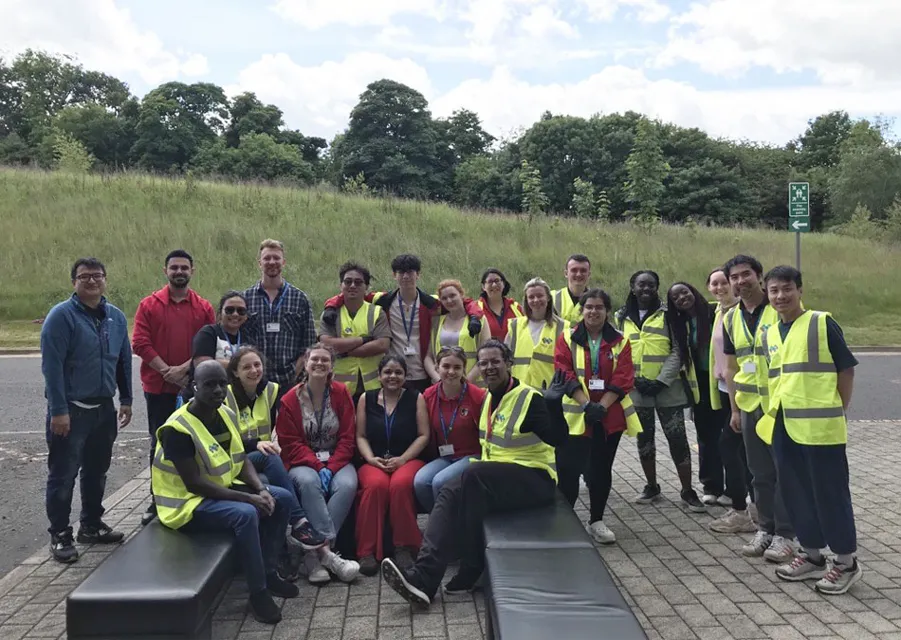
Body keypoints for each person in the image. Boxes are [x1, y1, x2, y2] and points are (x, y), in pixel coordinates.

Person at [379, 340, 567, 605]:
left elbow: (558, 440)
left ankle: (469, 568)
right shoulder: (490, 396)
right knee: (449, 490)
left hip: (534, 479)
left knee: (470, 476)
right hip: (495, 479)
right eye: (484, 362)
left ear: (508, 363)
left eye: (495, 361)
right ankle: (423, 579)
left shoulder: (529, 398)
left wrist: (554, 406)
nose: (489, 367)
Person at [151, 361, 299, 624]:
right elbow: (194, 484)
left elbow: (241, 459)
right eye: (210, 384)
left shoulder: (226, 413)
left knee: (282, 498)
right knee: (245, 514)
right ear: (194, 386)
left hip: (219, 489)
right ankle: (258, 593)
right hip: (185, 504)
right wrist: (249, 498)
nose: (218, 390)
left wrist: (261, 489)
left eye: (222, 383)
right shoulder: (177, 428)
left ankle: (269, 572)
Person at [755, 267, 861, 594]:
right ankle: (812, 555)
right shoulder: (770, 332)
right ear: (767, 293)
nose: (780, 296)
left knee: (829, 494)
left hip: (821, 430)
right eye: (773, 291)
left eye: (787, 289)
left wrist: (838, 409)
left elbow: (846, 369)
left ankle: (845, 562)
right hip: (783, 427)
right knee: (796, 494)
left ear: (800, 290)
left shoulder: (820, 323)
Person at [41, 258, 132, 563]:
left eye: (97, 276)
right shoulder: (61, 317)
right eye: (84, 277)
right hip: (71, 411)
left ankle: (91, 525)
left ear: (106, 280)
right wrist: (58, 410)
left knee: (96, 472)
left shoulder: (116, 318)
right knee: (63, 475)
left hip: (103, 410)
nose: (92, 282)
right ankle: (60, 534)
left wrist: (127, 399)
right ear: (74, 283)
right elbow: (51, 368)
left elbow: (123, 361)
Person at [133, 250, 215, 525]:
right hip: (158, 389)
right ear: (165, 270)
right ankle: (157, 500)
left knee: (193, 445)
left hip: (193, 390)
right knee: (159, 445)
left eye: (184, 267)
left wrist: (183, 369)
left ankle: (194, 494)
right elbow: (141, 343)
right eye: (174, 267)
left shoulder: (203, 307)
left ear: (193, 270)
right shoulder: (149, 305)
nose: (179, 272)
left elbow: (208, 344)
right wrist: (166, 371)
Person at [722, 255, 796, 563]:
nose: (741, 281)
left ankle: (786, 535)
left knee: (784, 473)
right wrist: (735, 410)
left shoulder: (778, 310)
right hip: (750, 408)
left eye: (746, 274)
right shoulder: (730, 318)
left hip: (780, 408)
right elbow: (731, 368)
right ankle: (765, 529)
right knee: (760, 474)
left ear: (759, 276)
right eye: (735, 277)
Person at [555, 289, 642, 544]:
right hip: (575, 416)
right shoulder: (567, 338)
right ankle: (566, 522)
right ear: (581, 311)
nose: (593, 312)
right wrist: (585, 404)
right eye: (589, 307)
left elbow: (624, 376)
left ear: (607, 311)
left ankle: (597, 521)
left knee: (600, 470)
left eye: (599, 307)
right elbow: (563, 370)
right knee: (568, 471)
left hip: (608, 416)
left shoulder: (621, 341)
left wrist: (601, 407)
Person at [614, 270, 704, 511]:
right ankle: (652, 486)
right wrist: (634, 380)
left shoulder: (669, 315)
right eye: (641, 284)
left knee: (677, 440)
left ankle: (687, 490)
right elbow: (618, 352)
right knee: (645, 440)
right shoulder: (621, 317)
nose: (646, 289)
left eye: (651, 285)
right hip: (638, 389)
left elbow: (678, 350)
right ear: (632, 287)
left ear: (657, 287)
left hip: (668, 389)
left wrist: (661, 381)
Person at [223, 346, 323, 553]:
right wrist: (255, 443)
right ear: (235, 372)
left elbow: (284, 424)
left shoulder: (272, 390)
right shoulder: (226, 395)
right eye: (246, 367)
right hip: (235, 458)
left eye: (257, 365)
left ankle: (282, 549)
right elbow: (225, 437)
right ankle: (299, 520)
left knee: (272, 463)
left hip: (264, 454)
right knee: (268, 458)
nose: (254, 371)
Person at [278, 344, 361, 585]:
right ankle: (327, 555)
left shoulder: (341, 393)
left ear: (332, 366)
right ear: (306, 363)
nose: (320, 364)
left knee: (347, 484)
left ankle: (313, 556)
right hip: (302, 460)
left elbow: (347, 436)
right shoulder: (288, 400)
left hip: (336, 458)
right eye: (315, 359)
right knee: (309, 482)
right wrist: (316, 465)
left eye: (325, 360)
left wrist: (332, 467)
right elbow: (290, 442)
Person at [354, 355, 430, 576]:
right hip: (374, 459)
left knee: (400, 485)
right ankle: (366, 552)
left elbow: (423, 435)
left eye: (398, 372)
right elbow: (360, 436)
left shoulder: (416, 398)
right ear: (379, 376)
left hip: (407, 458)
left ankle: (404, 547)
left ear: (405, 376)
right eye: (387, 372)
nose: (392, 376)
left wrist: (403, 459)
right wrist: (369, 459)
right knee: (375, 487)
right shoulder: (365, 399)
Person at [706, 268, 757, 534]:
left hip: (746, 390)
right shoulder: (720, 311)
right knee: (740, 448)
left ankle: (743, 510)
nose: (720, 287)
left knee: (733, 447)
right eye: (714, 284)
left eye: (723, 282)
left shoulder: (741, 313)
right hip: (727, 389)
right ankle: (752, 506)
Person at [666, 282, 724, 504]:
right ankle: (711, 485)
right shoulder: (679, 323)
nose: (682, 298)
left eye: (684, 292)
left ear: (693, 291)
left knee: (728, 437)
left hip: (721, 381)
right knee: (706, 437)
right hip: (698, 385)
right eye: (675, 297)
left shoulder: (713, 312)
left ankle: (736, 487)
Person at [414, 347, 486, 512]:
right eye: (446, 366)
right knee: (421, 481)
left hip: (472, 455)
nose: (451, 371)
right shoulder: (428, 395)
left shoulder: (477, 396)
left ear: (464, 369)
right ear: (437, 367)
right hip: (445, 456)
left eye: (457, 367)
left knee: (440, 482)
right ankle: (442, 522)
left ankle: (447, 527)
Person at [243, 239, 316, 392]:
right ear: (259, 263)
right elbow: (242, 341)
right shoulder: (246, 299)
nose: (272, 262)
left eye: (276, 258)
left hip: (291, 381)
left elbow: (309, 343)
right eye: (267, 258)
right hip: (255, 380)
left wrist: (294, 374)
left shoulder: (299, 298)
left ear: (283, 262)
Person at [319, 262, 391, 398]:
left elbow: (383, 344)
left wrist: (345, 351)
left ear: (366, 287)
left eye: (358, 282)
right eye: (348, 282)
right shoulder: (330, 314)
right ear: (340, 286)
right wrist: (363, 340)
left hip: (373, 387)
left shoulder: (376, 312)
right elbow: (326, 344)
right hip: (339, 388)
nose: (352, 285)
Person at [506, 277, 568, 390]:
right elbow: (505, 359)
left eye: (540, 296)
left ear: (548, 298)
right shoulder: (515, 326)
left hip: (549, 394)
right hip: (519, 391)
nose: (536, 300)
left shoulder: (563, 327)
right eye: (531, 297)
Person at [424, 280, 490, 384]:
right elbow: (428, 357)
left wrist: (465, 383)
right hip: (443, 386)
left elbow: (486, 356)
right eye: (444, 298)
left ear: (461, 294)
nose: (449, 300)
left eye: (452, 295)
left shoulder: (479, 320)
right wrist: (438, 379)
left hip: (473, 386)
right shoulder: (436, 322)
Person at [193, 291, 259, 370]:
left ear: (246, 316)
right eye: (229, 310)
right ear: (220, 313)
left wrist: (220, 363)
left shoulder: (249, 341)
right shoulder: (208, 333)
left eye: (241, 311)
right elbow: (203, 365)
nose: (235, 314)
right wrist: (241, 366)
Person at [476, 268, 524, 340]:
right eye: (490, 282)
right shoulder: (476, 308)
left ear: (503, 284)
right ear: (483, 287)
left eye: (497, 281)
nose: (494, 285)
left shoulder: (516, 308)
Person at [551, 254, 592, 323]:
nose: (578, 274)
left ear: (589, 274)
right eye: (574, 270)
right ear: (566, 273)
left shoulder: (597, 299)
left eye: (583, 270)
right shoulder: (551, 297)